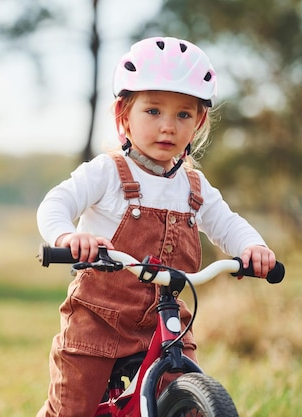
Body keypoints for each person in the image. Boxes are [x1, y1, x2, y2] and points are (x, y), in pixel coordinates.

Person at [35, 36, 277, 416]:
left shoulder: (194, 187)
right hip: (99, 321)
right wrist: (68, 236)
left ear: (198, 123)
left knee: (188, 403)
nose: (168, 127)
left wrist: (252, 248)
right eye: (153, 111)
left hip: (168, 324)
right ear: (123, 115)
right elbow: (56, 203)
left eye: (183, 115)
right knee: (73, 406)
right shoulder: (108, 172)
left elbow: (228, 224)